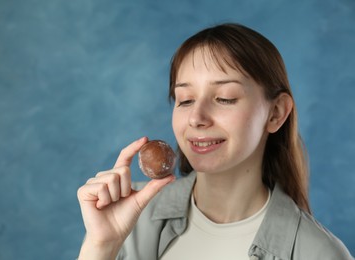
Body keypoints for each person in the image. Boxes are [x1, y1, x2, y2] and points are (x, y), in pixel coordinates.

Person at [77, 23, 353, 260]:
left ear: (276, 113)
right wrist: (102, 246)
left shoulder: (319, 253)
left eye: (224, 98)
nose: (196, 118)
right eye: (185, 100)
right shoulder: (129, 215)